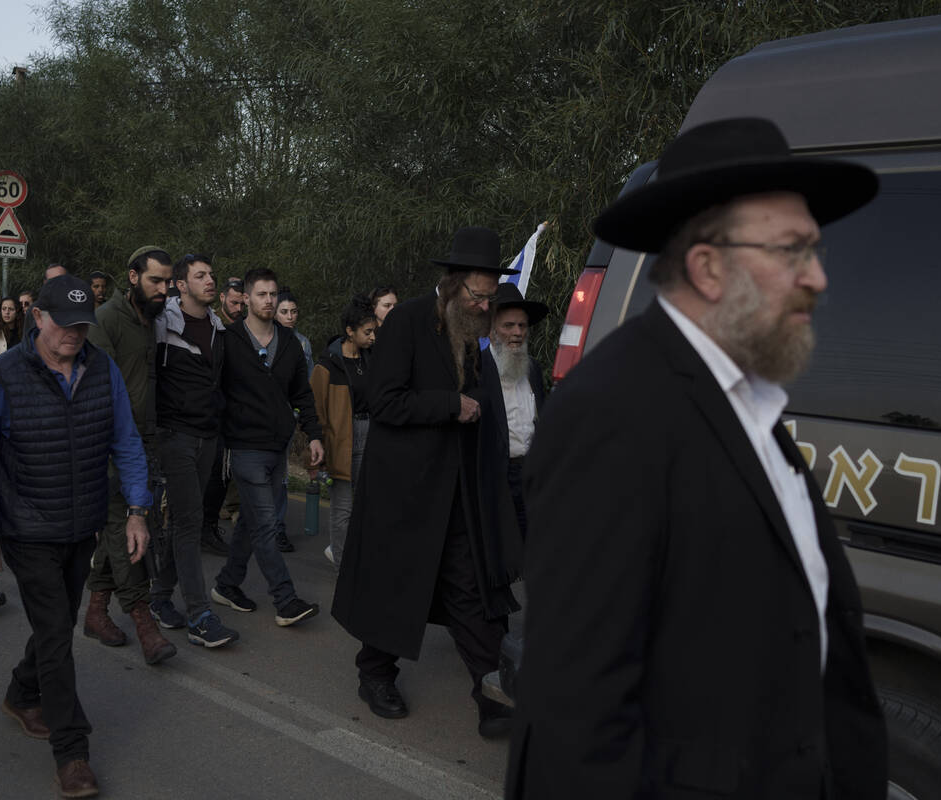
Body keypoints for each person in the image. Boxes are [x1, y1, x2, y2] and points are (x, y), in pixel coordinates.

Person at [505, 117, 888, 798]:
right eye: (794, 251)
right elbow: (577, 716)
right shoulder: (613, 413)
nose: (820, 278)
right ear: (709, 267)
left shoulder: (748, 396)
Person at [0, 274, 153, 799]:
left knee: (59, 623)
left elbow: (127, 443)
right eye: (63, 324)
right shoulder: (1, 379)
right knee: (56, 634)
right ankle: (72, 752)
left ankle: (22, 692)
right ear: (37, 317)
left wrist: (136, 511)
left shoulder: (101, 368)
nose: (73, 334)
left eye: (82, 324)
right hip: (28, 530)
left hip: (81, 523)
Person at [332, 227, 522, 738]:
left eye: (490, 297)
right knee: (399, 587)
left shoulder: (471, 333)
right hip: (407, 490)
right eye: (477, 296)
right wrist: (448, 405)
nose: (485, 306)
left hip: (459, 492)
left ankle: (494, 698)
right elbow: (383, 399)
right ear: (452, 284)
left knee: (472, 591)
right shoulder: (410, 321)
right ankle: (374, 676)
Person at [211, 267, 324, 626]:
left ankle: (227, 584)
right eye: (261, 294)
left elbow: (302, 394)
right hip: (244, 447)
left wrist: (314, 434)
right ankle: (285, 599)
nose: (269, 300)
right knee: (264, 523)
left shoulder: (289, 343)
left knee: (250, 519)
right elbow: (213, 391)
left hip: (278, 444)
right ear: (246, 298)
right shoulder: (227, 340)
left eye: (273, 294)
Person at [81, 246, 177, 666]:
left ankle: (96, 611)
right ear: (133, 277)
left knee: (124, 525)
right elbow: (98, 391)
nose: (163, 289)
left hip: (145, 443)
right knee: (126, 529)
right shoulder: (107, 320)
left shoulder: (150, 320)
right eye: (155, 280)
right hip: (110, 445)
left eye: (167, 282)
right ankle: (144, 621)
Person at [147, 253, 239, 646]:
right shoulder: (161, 325)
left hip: (207, 436)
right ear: (180, 285)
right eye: (200, 275)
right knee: (188, 522)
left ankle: (159, 597)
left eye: (211, 274)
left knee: (185, 519)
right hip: (174, 435)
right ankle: (200, 614)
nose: (210, 280)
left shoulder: (219, 329)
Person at [310, 294, 377, 568]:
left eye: (374, 331)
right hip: (341, 438)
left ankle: (361, 560)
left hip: (370, 432)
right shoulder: (327, 366)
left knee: (366, 505)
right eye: (368, 332)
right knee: (343, 508)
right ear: (350, 331)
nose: (373, 337)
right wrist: (318, 450)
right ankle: (343, 564)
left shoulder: (371, 359)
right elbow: (315, 410)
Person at [480, 282, 547, 540]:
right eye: (508, 326)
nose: (517, 332)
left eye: (522, 326)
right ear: (492, 330)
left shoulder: (533, 369)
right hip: (499, 478)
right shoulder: (478, 371)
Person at [275, 286, 313, 374]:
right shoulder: (264, 339)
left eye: (294, 311)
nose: (290, 317)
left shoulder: (303, 342)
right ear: (274, 314)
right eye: (284, 312)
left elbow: (309, 377)